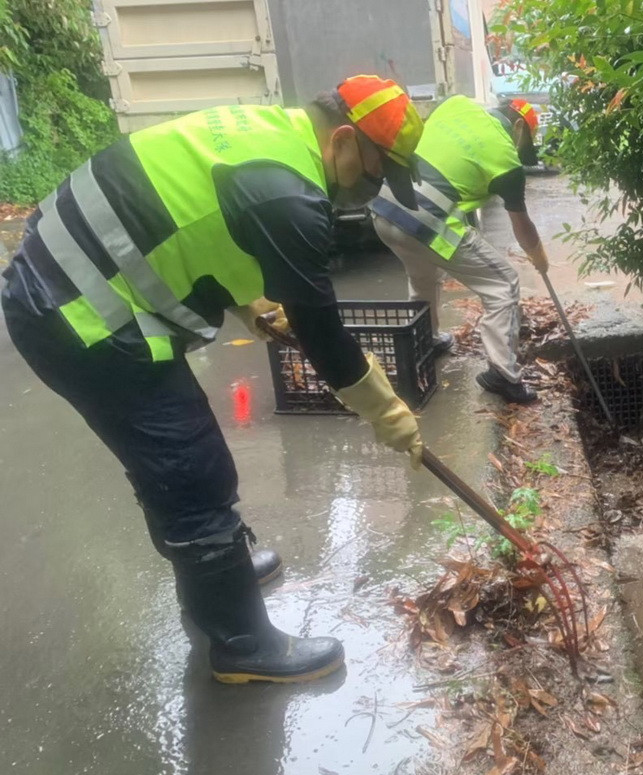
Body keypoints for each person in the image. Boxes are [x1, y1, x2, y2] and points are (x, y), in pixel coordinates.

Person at [1, 75, 426, 684]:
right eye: (374, 172)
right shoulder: (290, 193)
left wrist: (249, 301)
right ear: (341, 139)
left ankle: (215, 579)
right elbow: (325, 338)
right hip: (76, 314)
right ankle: (241, 644)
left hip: (69, 285)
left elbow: (195, 221)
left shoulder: (269, 135)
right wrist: (391, 416)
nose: (369, 189)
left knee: (176, 462)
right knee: (188, 466)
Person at [370, 96, 550, 404]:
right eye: (526, 144)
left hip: (383, 207)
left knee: (423, 277)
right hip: (427, 216)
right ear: (519, 127)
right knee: (503, 282)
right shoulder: (506, 157)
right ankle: (504, 375)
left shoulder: (456, 105)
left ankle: (427, 340)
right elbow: (522, 227)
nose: (522, 151)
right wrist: (539, 257)